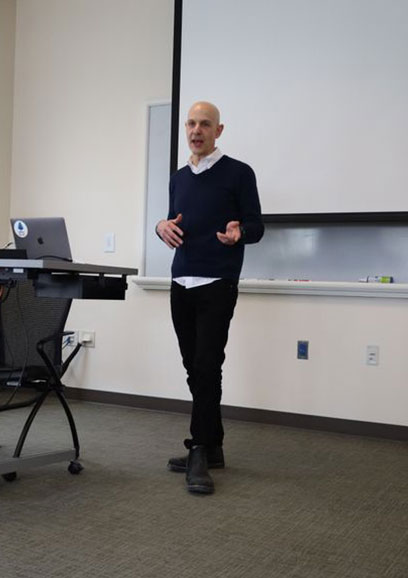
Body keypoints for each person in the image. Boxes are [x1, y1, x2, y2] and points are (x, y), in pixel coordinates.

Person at [156, 101, 264, 494]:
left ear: (219, 131)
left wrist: (241, 233)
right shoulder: (178, 178)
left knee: (206, 366)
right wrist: (159, 226)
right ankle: (213, 445)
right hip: (180, 282)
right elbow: (172, 221)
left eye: (205, 124)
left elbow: (256, 225)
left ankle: (199, 449)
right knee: (194, 368)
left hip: (218, 282)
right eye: (191, 123)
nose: (196, 130)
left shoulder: (239, 173)